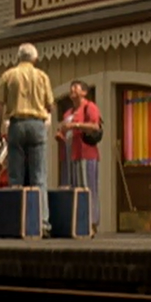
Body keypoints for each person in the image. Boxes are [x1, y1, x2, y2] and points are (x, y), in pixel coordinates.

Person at [0, 43, 54, 234]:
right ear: (35, 59)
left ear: (18, 57)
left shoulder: (8, 75)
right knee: (39, 176)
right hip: (37, 124)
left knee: (15, 176)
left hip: (17, 124)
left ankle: (17, 220)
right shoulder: (42, 76)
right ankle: (42, 222)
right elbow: (50, 105)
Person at [57, 81, 102, 234]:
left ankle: (91, 222)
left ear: (84, 92)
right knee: (73, 187)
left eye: (76, 88)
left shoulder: (90, 107)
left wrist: (76, 126)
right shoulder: (67, 113)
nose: (72, 90)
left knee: (87, 187)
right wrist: (60, 136)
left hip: (86, 153)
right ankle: (76, 221)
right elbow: (64, 130)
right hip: (70, 154)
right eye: (71, 88)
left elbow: (95, 126)